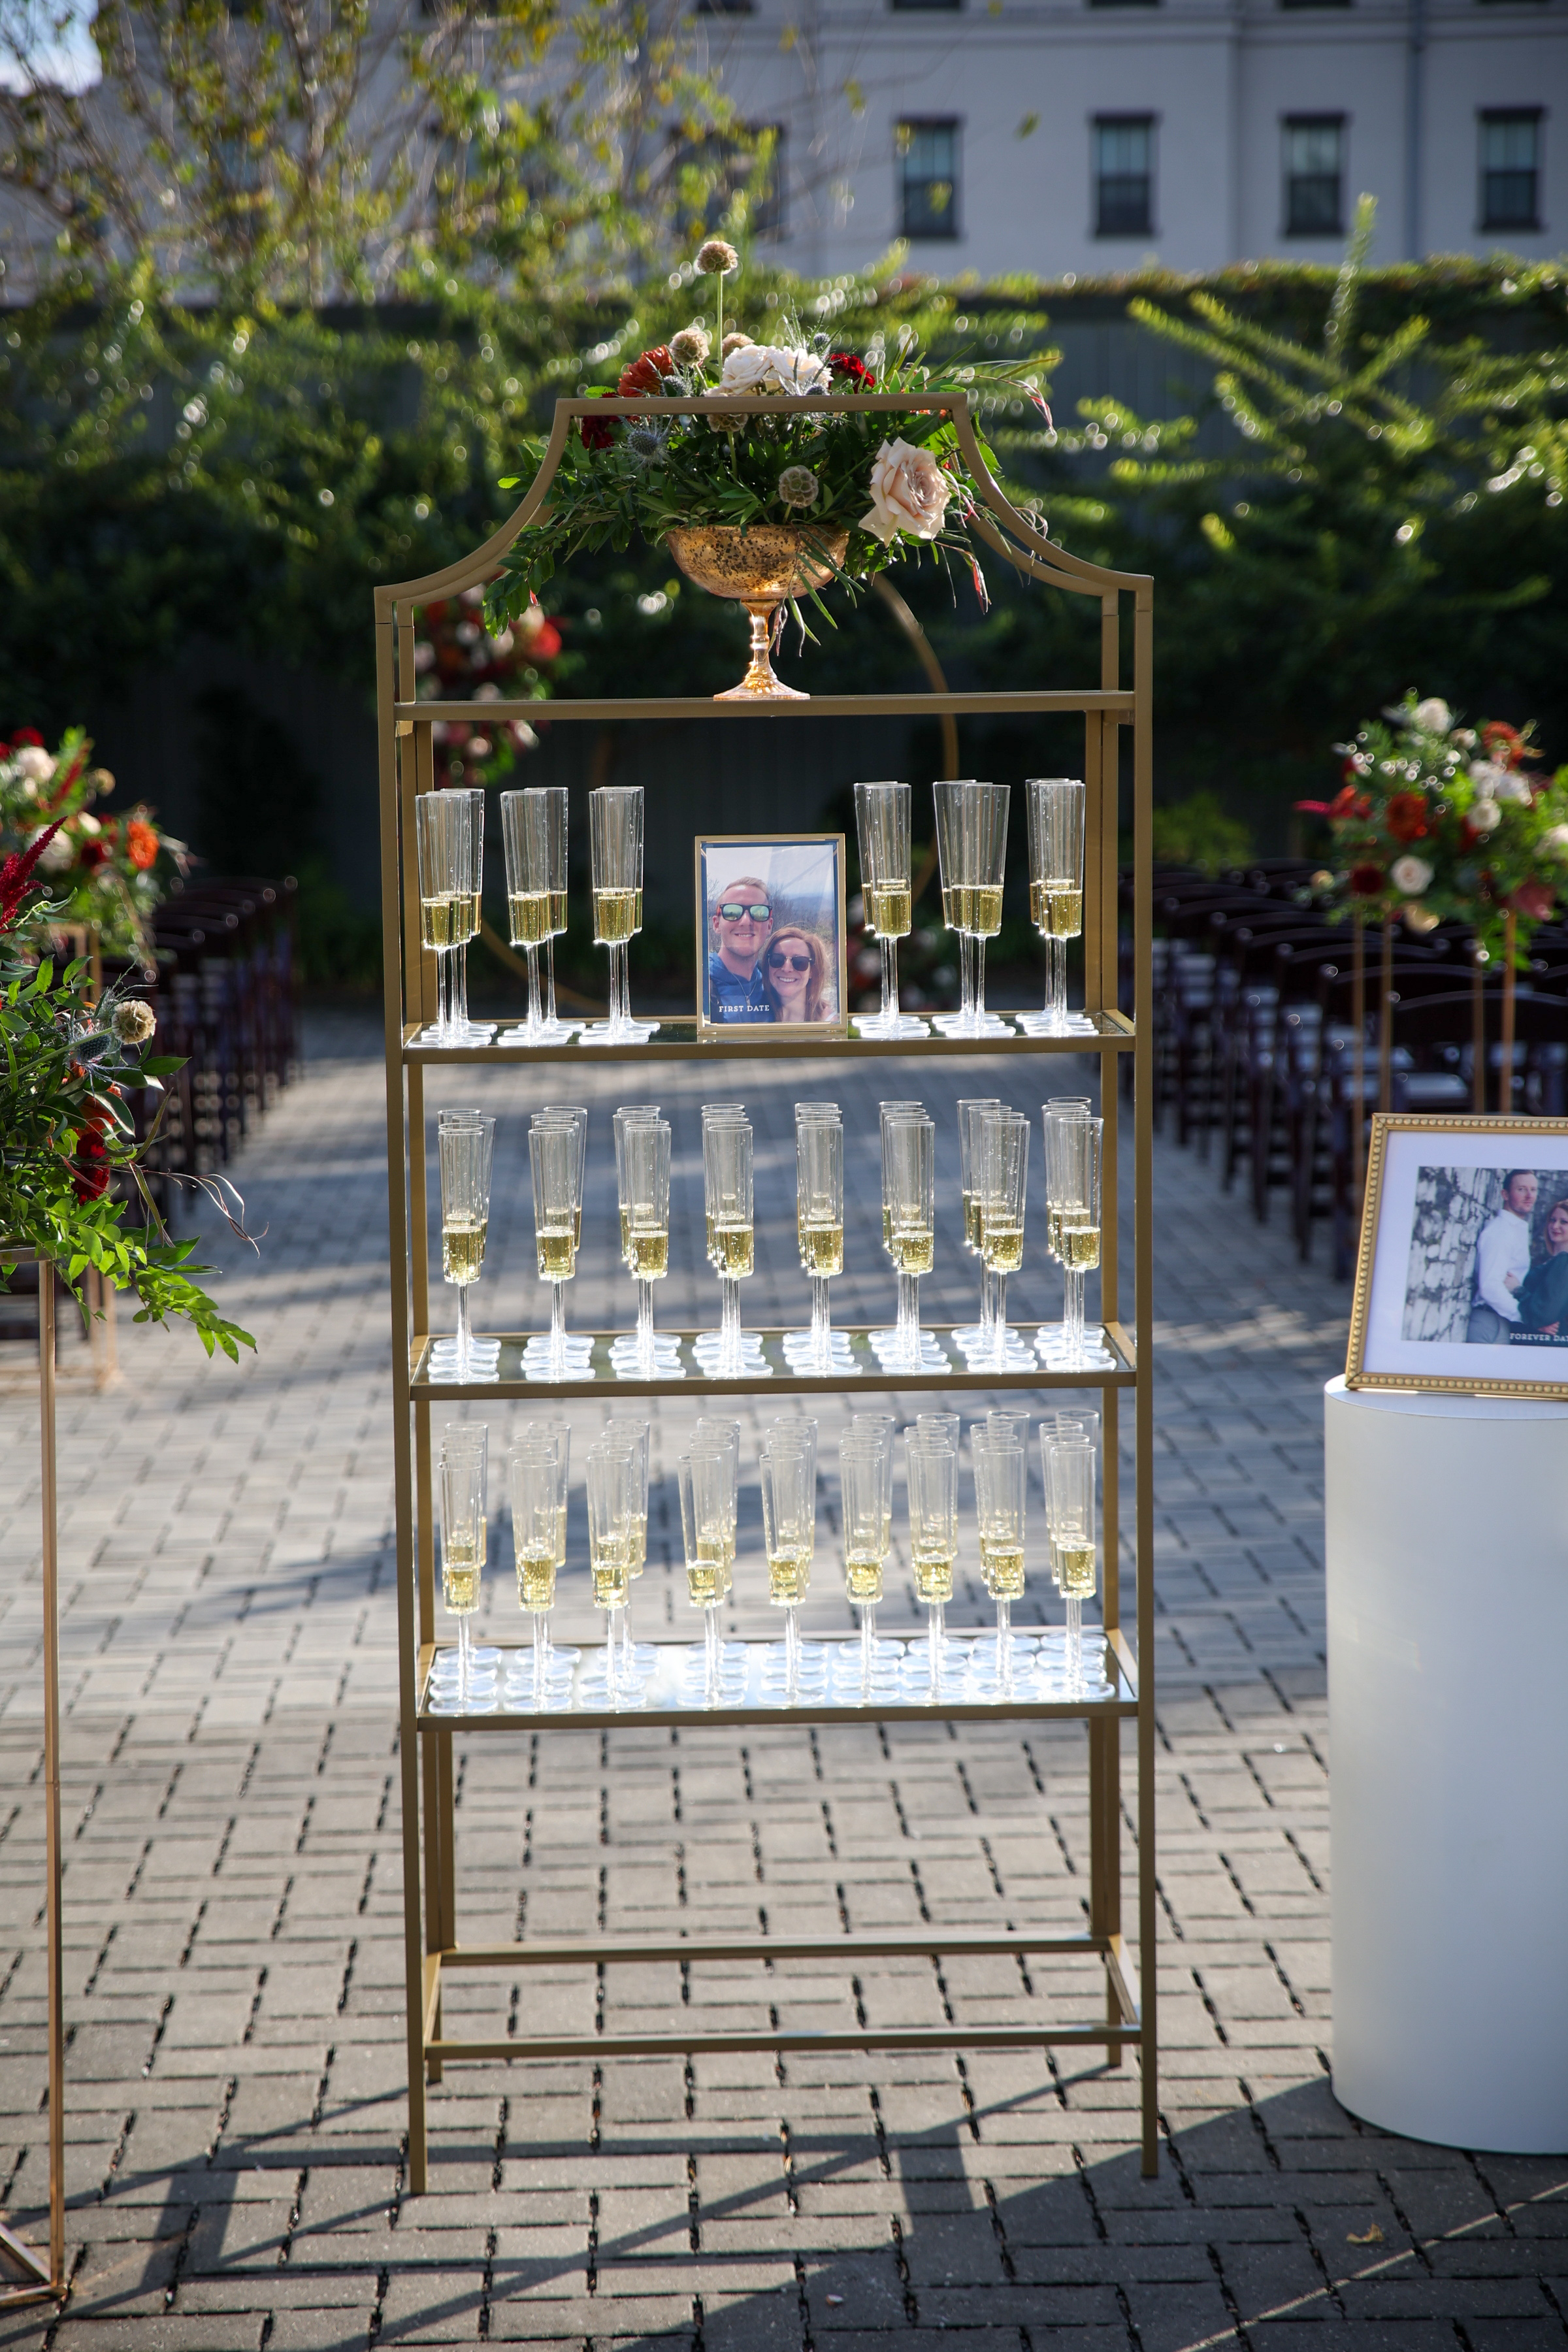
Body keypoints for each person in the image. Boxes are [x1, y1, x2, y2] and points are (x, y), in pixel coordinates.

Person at [1465, 1168, 1538, 1342]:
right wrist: (1525, 1315)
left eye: (1533, 1190)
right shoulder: (1501, 1231)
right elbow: (1490, 1286)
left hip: (1501, 1320)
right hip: (1488, 1321)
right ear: (1505, 1194)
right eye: (1521, 1189)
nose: (1529, 1195)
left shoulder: (1515, 1230)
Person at [705, 875, 774, 1023]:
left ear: (769, 926)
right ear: (716, 924)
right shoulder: (700, 985)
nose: (746, 921)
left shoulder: (775, 985)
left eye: (759, 912)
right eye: (732, 912)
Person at [1514, 1195, 1568, 1343]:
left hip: (1545, 1344)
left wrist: (1517, 1290)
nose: (1555, 1226)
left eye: (1564, 1222)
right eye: (1552, 1220)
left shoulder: (1564, 1261)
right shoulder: (1556, 1260)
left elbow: (1544, 1315)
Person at [763, 926, 832, 1024]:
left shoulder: (829, 1022)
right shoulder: (756, 1016)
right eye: (777, 960)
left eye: (800, 962)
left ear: (812, 971)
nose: (787, 969)